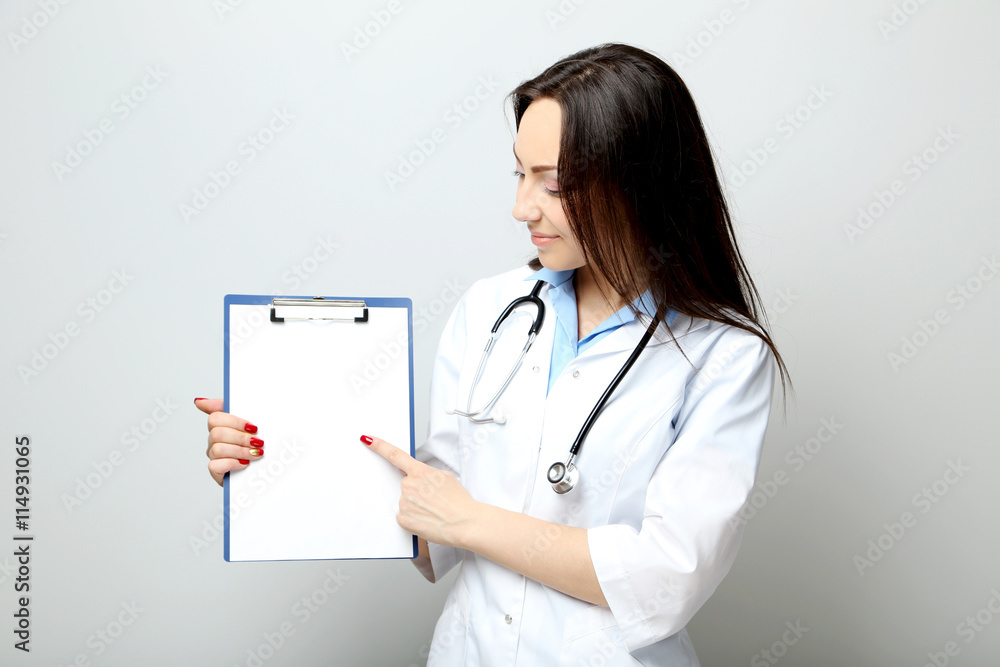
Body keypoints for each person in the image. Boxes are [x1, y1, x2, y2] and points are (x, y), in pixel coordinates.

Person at [199, 43, 789, 666]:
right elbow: (428, 532)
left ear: (640, 185)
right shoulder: (490, 310)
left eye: (555, 184)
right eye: (520, 173)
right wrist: (272, 466)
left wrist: (469, 521)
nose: (521, 208)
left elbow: (666, 579)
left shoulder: (723, 355)